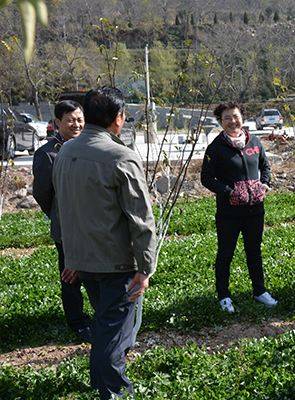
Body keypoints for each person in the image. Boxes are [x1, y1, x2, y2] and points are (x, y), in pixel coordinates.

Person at [53, 87, 157, 400]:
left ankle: (102, 384)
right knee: (111, 334)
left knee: (104, 326)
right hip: (115, 263)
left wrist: (71, 256)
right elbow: (141, 220)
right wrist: (145, 267)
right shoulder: (119, 156)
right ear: (118, 119)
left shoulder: (66, 152)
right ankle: (113, 393)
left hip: (84, 261)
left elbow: (64, 211)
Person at [201, 101, 277, 313]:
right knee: (226, 253)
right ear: (220, 122)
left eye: (235, 116)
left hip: (255, 210)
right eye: (227, 118)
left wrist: (266, 184)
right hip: (229, 212)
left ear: (242, 117)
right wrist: (228, 191)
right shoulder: (216, 147)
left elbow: (265, 166)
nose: (232, 121)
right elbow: (206, 177)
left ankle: (259, 291)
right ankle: (224, 296)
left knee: (254, 251)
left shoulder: (254, 141)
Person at [32, 100, 91, 343]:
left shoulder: (90, 148)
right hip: (66, 228)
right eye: (70, 119)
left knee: (95, 272)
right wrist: (56, 213)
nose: (76, 124)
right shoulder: (47, 153)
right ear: (57, 122)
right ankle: (77, 322)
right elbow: (42, 194)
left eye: (79, 119)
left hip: (93, 226)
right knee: (70, 276)